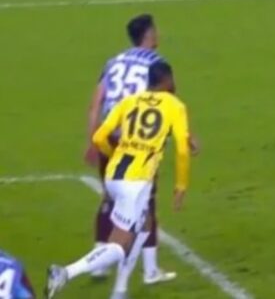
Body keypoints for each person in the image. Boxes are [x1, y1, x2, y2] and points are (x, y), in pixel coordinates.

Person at [46, 62, 192, 299]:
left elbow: (99, 137)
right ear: (166, 80)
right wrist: (181, 185)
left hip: (114, 175)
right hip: (135, 183)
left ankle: (120, 290)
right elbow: (183, 150)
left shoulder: (129, 101)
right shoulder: (175, 105)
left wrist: (113, 153)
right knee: (119, 244)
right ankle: (66, 273)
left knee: (144, 224)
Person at [83, 14, 179, 288]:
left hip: (109, 136)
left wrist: (92, 141)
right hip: (138, 140)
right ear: (149, 34)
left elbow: (96, 103)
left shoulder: (113, 62)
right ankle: (150, 269)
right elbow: (168, 104)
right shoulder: (157, 65)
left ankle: (99, 263)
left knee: (109, 197)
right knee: (145, 202)